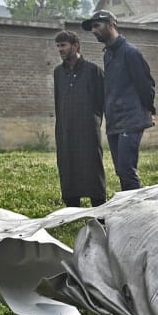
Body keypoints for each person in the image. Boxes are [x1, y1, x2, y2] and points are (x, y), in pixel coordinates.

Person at [83, 9, 155, 191]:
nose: (93, 30)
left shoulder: (130, 53)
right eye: (92, 27)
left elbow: (146, 85)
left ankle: (137, 214)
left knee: (127, 170)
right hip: (114, 121)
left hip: (131, 120)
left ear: (111, 25)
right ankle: (129, 212)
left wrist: (146, 111)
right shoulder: (108, 54)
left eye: (97, 26)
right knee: (120, 171)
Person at [51, 30, 106, 208]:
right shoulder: (58, 73)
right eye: (58, 46)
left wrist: (93, 124)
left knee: (92, 167)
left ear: (75, 46)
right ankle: (72, 209)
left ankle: (98, 209)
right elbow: (58, 101)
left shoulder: (93, 71)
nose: (60, 49)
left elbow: (102, 102)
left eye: (63, 45)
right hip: (66, 130)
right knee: (68, 166)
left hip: (88, 130)